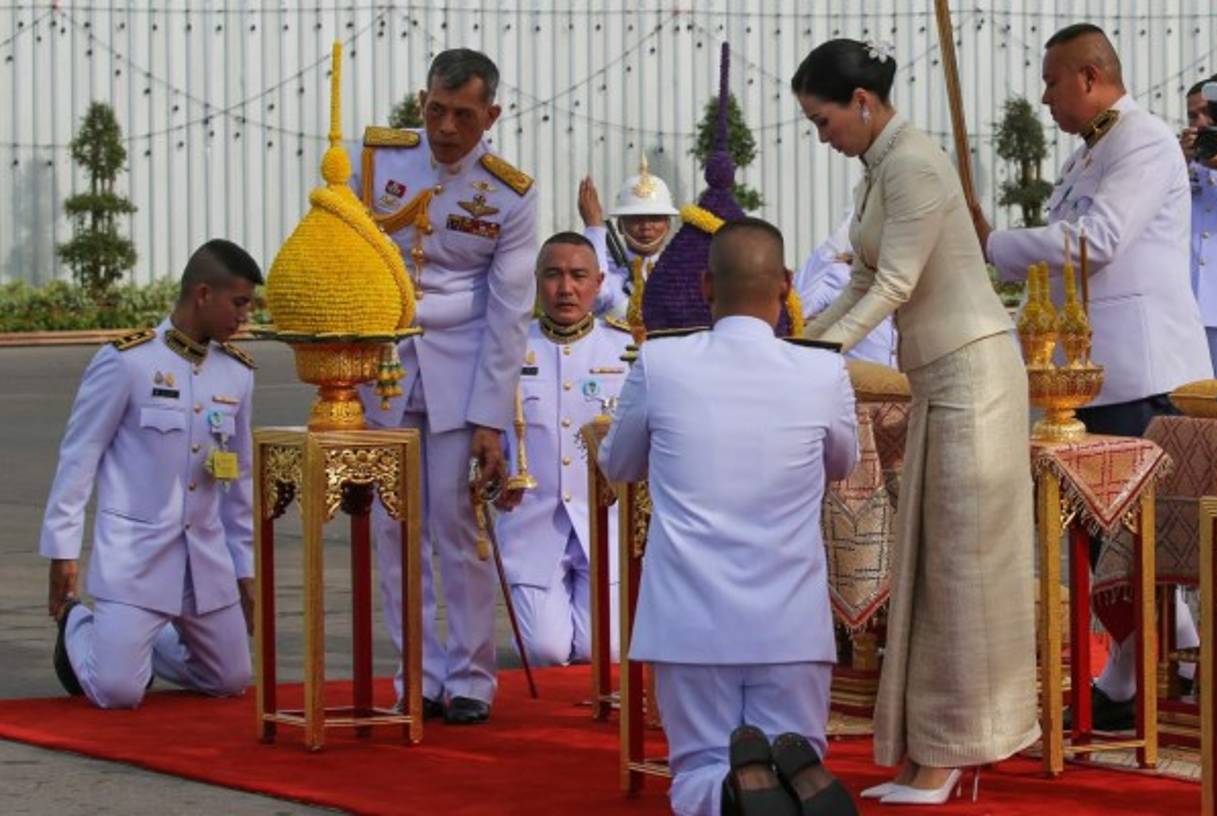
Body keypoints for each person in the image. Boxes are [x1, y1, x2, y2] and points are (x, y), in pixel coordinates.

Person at [793, 39, 1039, 804]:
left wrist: (807, 359)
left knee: (962, 569)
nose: (822, 136)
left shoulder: (915, 164)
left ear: (862, 103)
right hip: (938, 377)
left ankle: (952, 755)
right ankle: (926, 751)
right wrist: (795, 344)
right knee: (929, 564)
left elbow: (894, 283)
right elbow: (863, 275)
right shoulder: (879, 168)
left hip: (974, 375)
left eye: (824, 119)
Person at [973, 24, 1214, 732]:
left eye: (1052, 81)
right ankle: (1145, 672)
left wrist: (991, 243)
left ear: (1088, 75)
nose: (1045, 97)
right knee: (1102, 538)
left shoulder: (1137, 140)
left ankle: (1155, 673)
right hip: (1086, 377)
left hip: (1142, 372)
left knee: (1146, 536)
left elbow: (1096, 242)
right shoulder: (1090, 155)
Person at [600, 218, 859, 816]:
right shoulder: (821, 370)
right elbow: (841, 464)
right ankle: (787, 786)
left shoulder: (661, 363)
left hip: (691, 617)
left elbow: (621, 461)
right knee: (798, 751)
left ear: (706, 287)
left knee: (699, 763)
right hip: (790, 617)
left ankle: (725, 795)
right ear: (786, 284)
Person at [354, 48, 538, 725]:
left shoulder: (511, 193)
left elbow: (509, 309)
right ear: (422, 101)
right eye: (436, 109)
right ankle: (417, 674)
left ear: (491, 115)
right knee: (392, 529)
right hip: (384, 367)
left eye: (464, 115)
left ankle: (471, 677)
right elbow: (344, 254)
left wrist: (492, 416)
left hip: (462, 373)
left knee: (456, 526)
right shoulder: (377, 162)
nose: (447, 128)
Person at [40, 239, 262, 709]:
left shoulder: (236, 374)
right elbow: (79, 457)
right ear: (203, 294)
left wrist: (244, 568)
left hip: (203, 558)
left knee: (230, 678)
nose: (245, 316)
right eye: (238, 303)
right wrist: (63, 551)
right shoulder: (128, 362)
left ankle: (143, 643)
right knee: (118, 692)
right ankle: (81, 626)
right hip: (135, 558)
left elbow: (238, 481)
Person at [493, 232, 629, 666]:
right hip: (532, 526)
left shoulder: (625, 351)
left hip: (604, 525)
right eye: (553, 275)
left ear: (598, 282)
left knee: (602, 651)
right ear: (537, 281)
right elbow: (485, 439)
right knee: (545, 652)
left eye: (578, 276)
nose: (565, 288)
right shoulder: (510, 349)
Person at [578, 155, 679, 321]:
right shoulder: (606, 268)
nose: (646, 226)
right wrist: (594, 228)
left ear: (668, 224)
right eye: (635, 218)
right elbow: (596, 295)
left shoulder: (680, 269)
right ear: (619, 226)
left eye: (655, 218)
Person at [793, 211, 895, 366]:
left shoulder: (914, 275)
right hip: (860, 382)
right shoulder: (839, 274)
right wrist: (833, 247)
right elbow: (799, 305)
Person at [1184, 73, 1217, 376]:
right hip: (1189, 306)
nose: (1199, 122)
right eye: (1192, 114)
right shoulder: (1181, 157)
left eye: (1207, 113)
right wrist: (1178, 160)